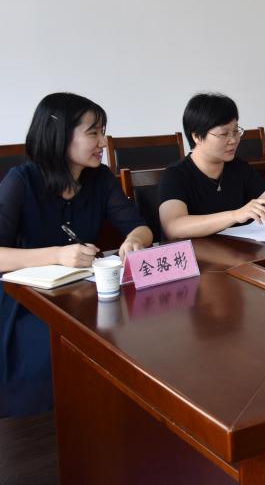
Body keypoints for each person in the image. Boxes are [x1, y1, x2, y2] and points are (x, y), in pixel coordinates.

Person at [1, 93, 153, 416]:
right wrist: (57, 255)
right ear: (60, 137)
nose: (103, 142)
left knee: (145, 330)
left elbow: (140, 228)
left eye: (103, 132)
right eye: (93, 133)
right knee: (56, 352)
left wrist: (134, 241)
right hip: (27, 301)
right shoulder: (21, 182)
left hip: (83, 293)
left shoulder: (100, 178)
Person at [159, 93, 265, 240]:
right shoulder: (175, 175)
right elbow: (174, 227)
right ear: (196, 136)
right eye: (223, 134)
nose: (233, 140)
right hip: (200, 256)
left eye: (235, 131)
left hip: (238, 252)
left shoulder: (239, 168)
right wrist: (235, 215)